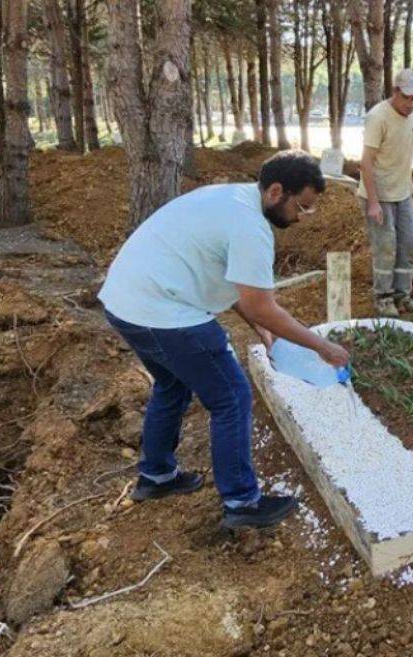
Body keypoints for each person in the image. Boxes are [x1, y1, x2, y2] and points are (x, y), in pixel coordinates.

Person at [98, 151, 350, 532]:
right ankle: (242, 502)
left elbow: (235, 286)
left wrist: (262, 332)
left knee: (172, 384)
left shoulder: (230, 199)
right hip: (163, 312)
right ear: (276, 191)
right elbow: (261, 305)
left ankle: (157, 477)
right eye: (302, 206)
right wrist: (322, 346)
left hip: (124, 302)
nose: (302, 217)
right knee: (231, 397)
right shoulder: (250, 227)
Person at [358, 68, 413, 318]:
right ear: (395, 91)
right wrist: (373, 203)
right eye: (407, 97)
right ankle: (382, 298)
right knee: (386, 246)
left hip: (403, 191)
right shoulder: (378, 117)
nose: (411, 103)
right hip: (378, 194)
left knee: (409, 244)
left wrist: (408, 157)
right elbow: (366, 162)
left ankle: (402, 295)